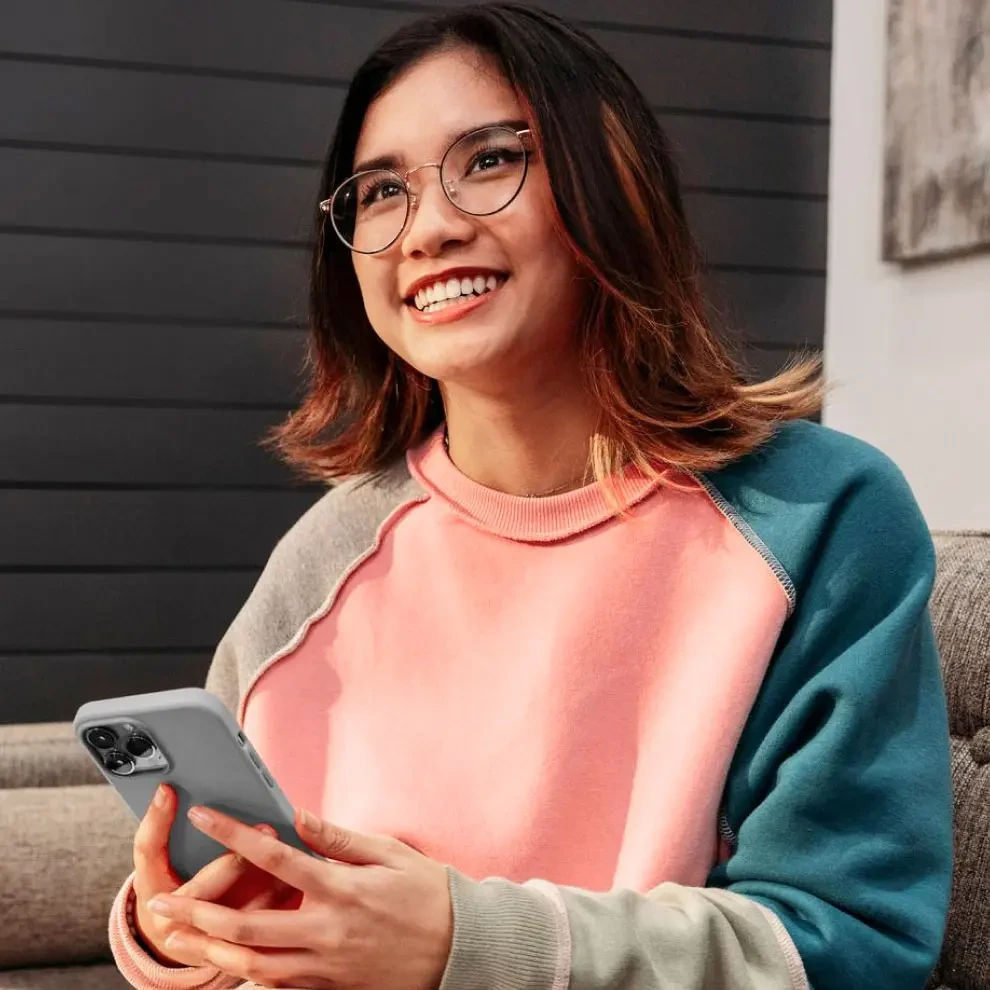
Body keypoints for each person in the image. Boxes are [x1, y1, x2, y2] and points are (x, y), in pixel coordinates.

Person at [107, 4, 953, 989]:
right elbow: (257, 899)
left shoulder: (819, 518)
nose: (430, 228)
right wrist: (180, 932)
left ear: (612, 184)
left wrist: (464, 944)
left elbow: (851, 944)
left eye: (490, 160)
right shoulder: (326, 554)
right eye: (382, 191)